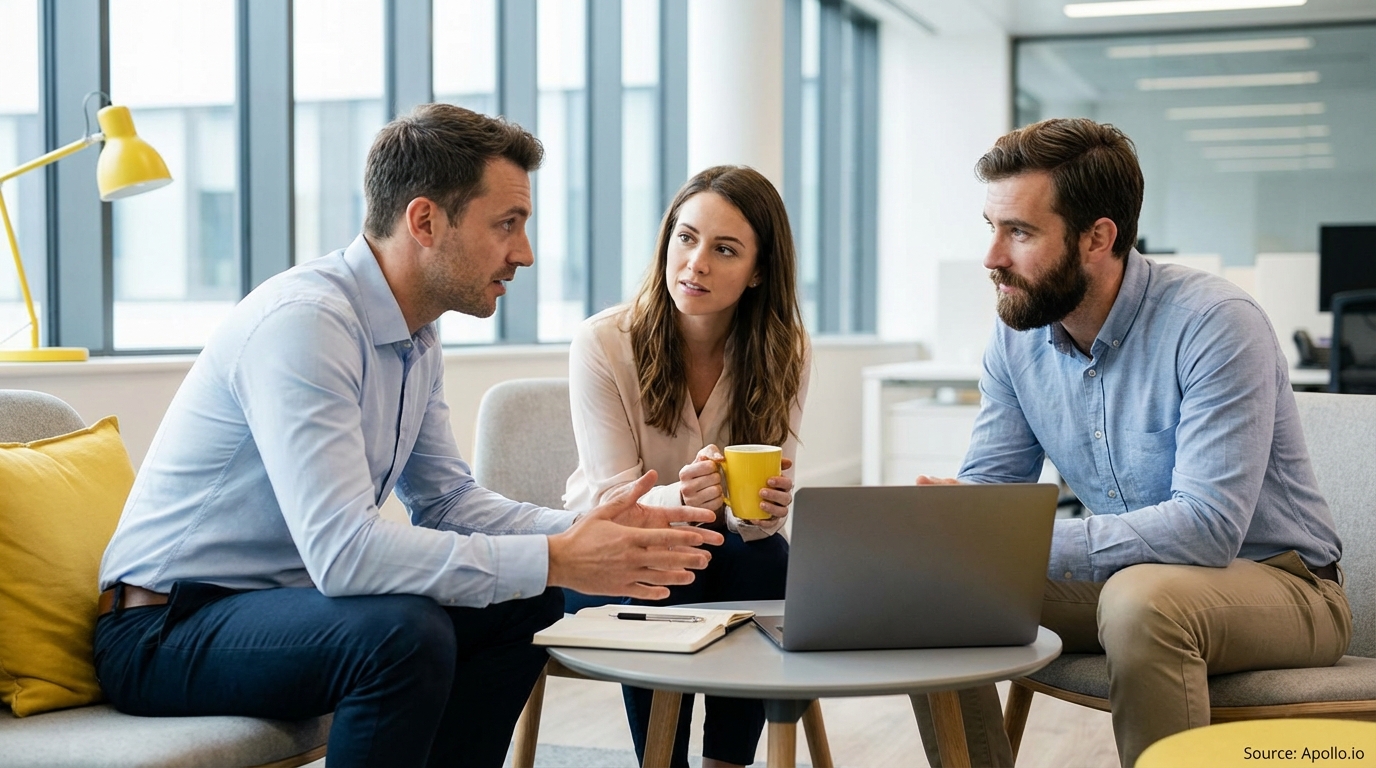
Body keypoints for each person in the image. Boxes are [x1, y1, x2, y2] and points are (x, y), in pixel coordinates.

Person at [94, 104, 725, 768]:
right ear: (425, 221)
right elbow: (344, 553)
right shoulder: (308, 325)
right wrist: (558, 557)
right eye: (506, 225)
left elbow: (448, 501)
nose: (526, 253)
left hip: (276, 608)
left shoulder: (414, 337)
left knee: (517, 604)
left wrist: (578, 528)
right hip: (161, 629)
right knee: (402, 635)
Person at [912, 118, 1351, 768]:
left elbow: (1205, 530)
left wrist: (1007, 538)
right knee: (934, 587)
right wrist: (954, 527)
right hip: (1130, 584)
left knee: (1142, 601)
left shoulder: (1214, 324)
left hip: (1283, 587)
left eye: (1021, 232)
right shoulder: (1016, 338)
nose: (992, 257)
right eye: (992, 227)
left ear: (1098, 237)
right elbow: (990, 498)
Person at [564, 165, 811, 768]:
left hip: (727, 557)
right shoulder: (604, 343)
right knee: (675, 562)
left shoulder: (786, 351)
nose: (696, 262)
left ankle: (726, 762)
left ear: (758, 272)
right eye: (686, 236)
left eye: (724, 250)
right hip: (610, 559)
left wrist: (764, 510)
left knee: (768, 559)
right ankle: (662, 761)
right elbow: (615, 507)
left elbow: (758, 527)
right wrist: (685, 499)